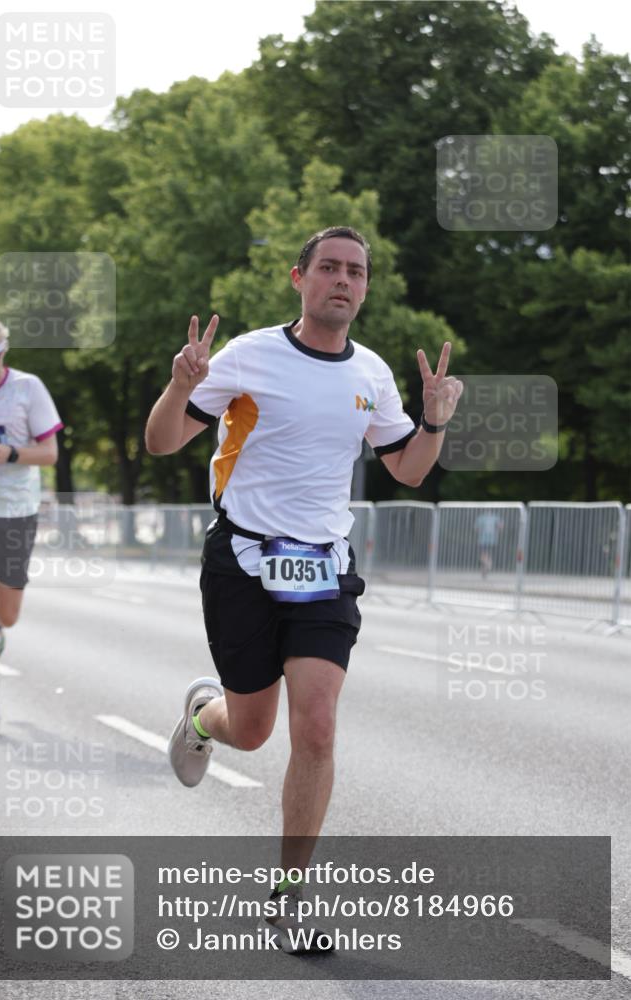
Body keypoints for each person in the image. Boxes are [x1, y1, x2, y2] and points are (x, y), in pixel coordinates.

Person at [145, 226, 463, 951]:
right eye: (329, 268)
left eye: (355, 271)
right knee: (253, 732)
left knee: (315, 726)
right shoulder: (248, 355)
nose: (342, 281)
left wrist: (434, 422)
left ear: (365, 286)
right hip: (243, 562)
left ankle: (287, 899)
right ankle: (204, 718)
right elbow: (162, 442)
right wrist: (180, 386)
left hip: (322, 569)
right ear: (299, 278)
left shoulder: (372, 375)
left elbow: (407, 469)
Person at [0, 316, 63, 737]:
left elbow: (50, 453)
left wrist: (9, 453)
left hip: (17, 511)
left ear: (3, 355)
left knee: (7, 612)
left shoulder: (28, 388)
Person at [474, 511, 503, 578]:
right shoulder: (482, 517)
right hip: (483, 540)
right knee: (484, 556)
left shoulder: (495, 517)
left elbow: (501, 527)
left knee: (487, 556)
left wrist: (499, 526)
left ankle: (486, 568)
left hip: (491, 540)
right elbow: (476, 528)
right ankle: (487, 567)